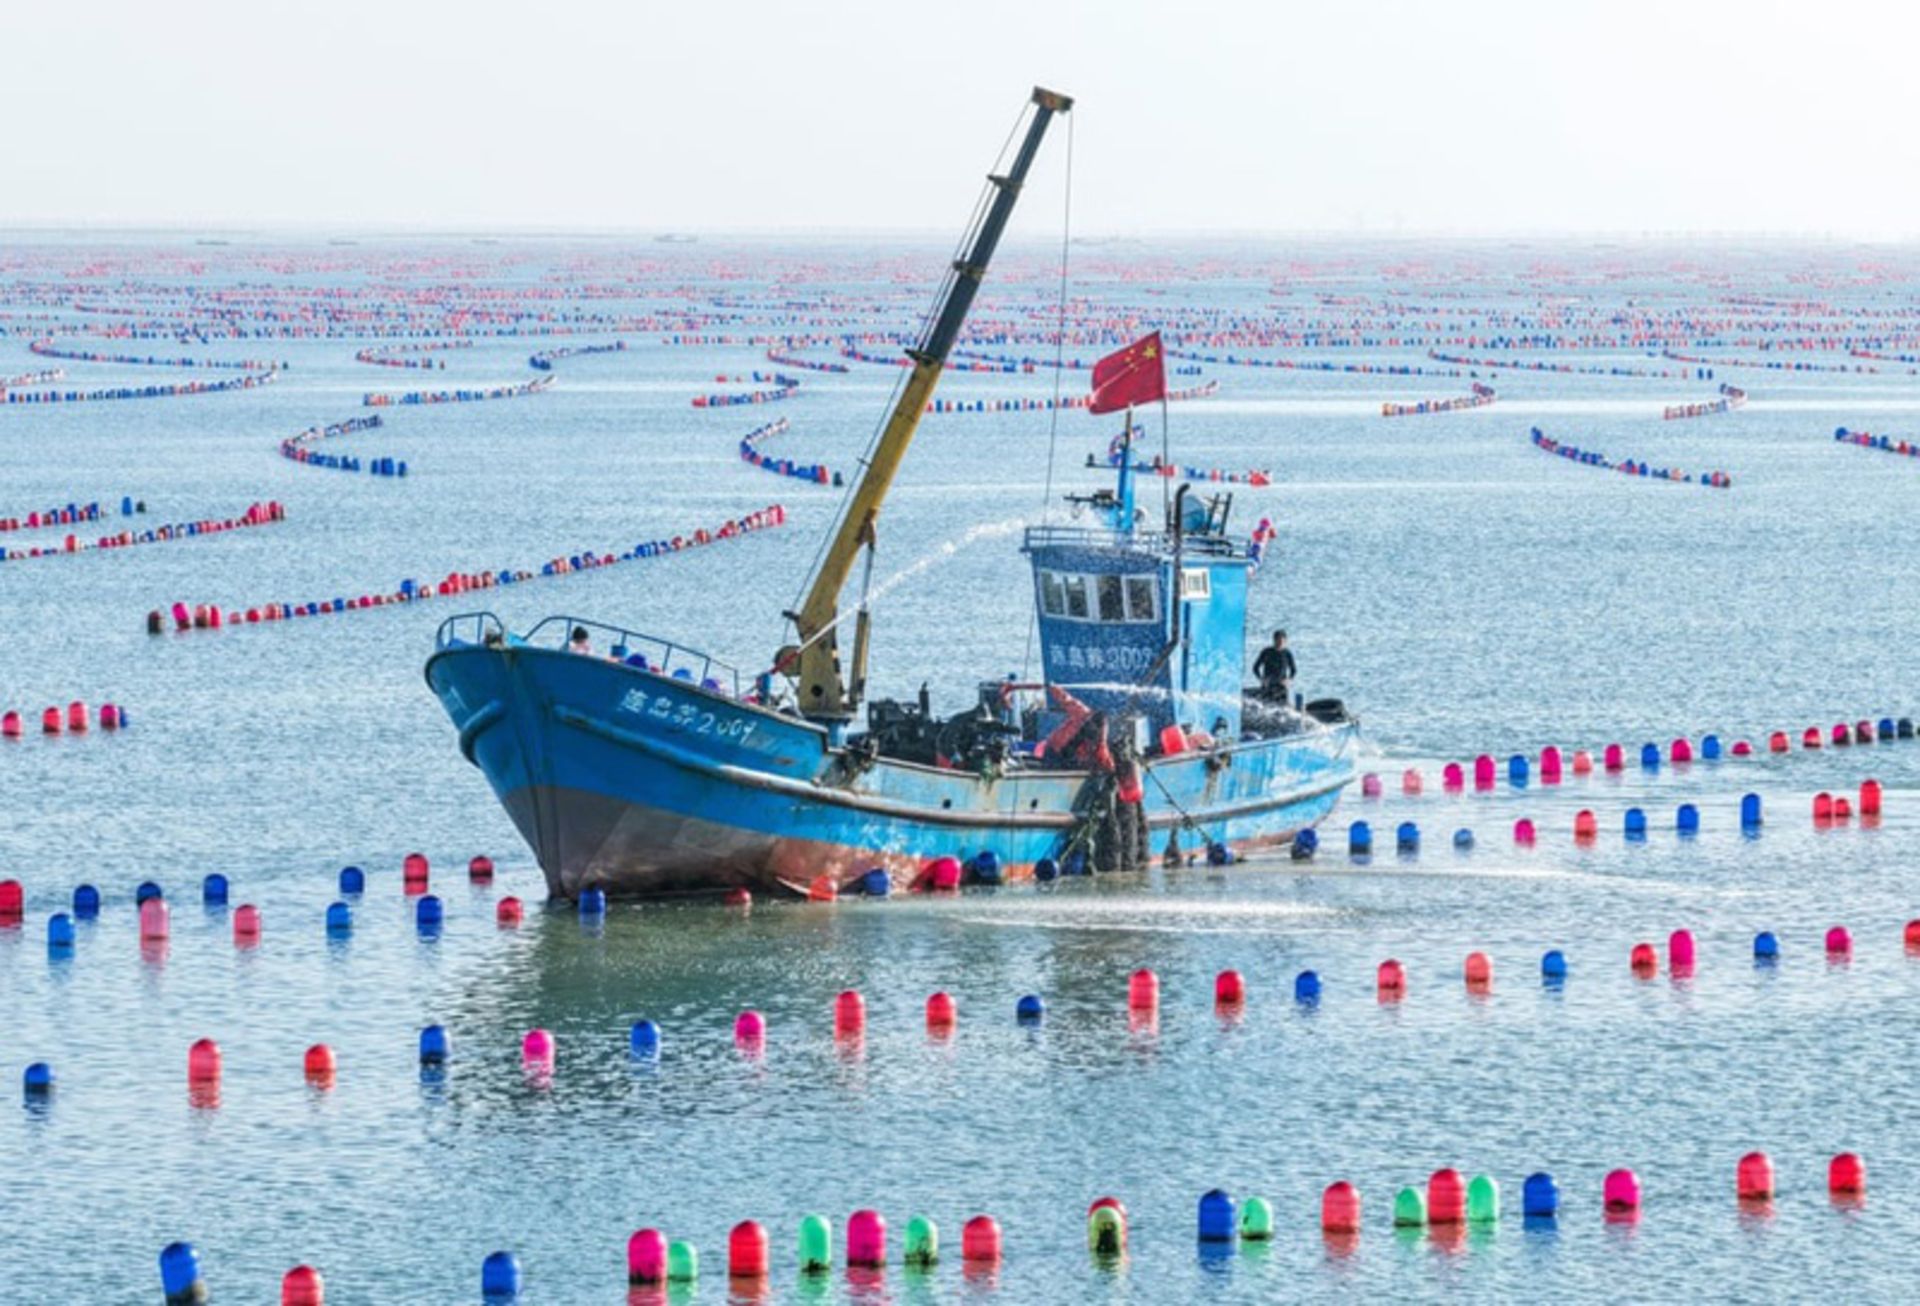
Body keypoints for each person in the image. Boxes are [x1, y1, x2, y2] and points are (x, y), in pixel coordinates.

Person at [1253, 629, 1296, 704]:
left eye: (1282, 641)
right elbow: (1255, 668)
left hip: (1281, 686)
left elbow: (1293, 670)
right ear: (1274, 640)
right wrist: (1261, 679)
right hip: (1267, 685)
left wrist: (1288, 680)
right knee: (1266, 706)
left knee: (1282, 707)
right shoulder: (1266, 652)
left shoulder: (1287, 653)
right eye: (1278, 641)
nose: (1280, 643)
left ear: (1285, 641)